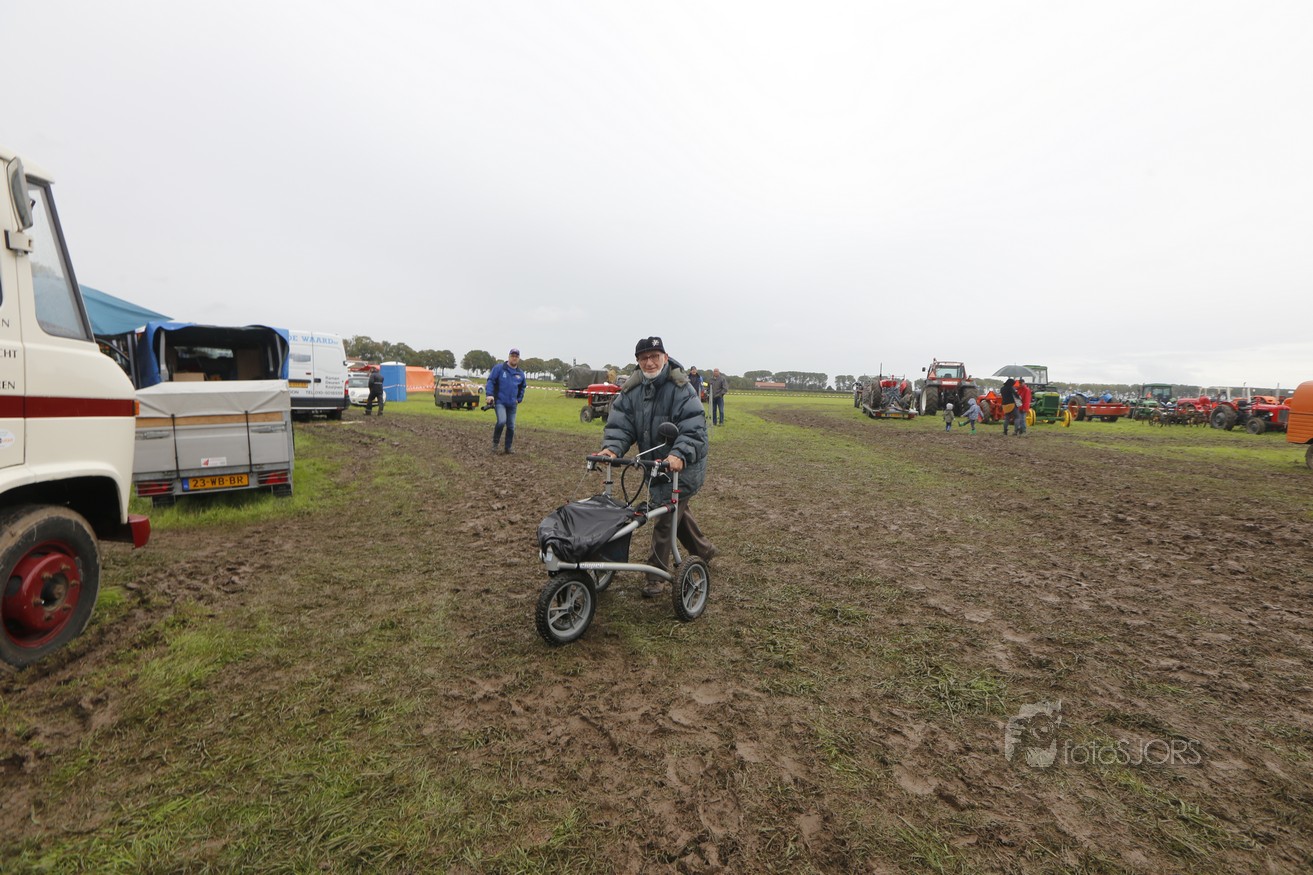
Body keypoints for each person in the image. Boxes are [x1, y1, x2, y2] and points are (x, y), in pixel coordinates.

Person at [599, 336, 716, 598]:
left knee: (664, 517)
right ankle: (704, 550)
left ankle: (655, 576)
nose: (650, 363)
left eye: (654, 356)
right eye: (644, 358)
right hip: (655, 466)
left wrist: (678, 454)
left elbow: (694, 429)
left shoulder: (681, 388)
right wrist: (612, 448)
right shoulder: (632, 390)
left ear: (665, 357)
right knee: (675, 511)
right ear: (638, 361)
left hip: (684, 466)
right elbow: (621, 424)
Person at [486, 348, 526, 454]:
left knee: (511, 426)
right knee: (502, 421)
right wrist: (489, 395)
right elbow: (491, 381)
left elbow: (522, 387)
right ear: (509, 357)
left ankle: (508, 447)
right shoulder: (499, 368)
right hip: (500, 401)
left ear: (518, 358)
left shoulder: (520, 374)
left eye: (516, 356)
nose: (514, 358)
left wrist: (519, 399)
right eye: (512, 356)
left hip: (512, 404)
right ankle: (495, 444)